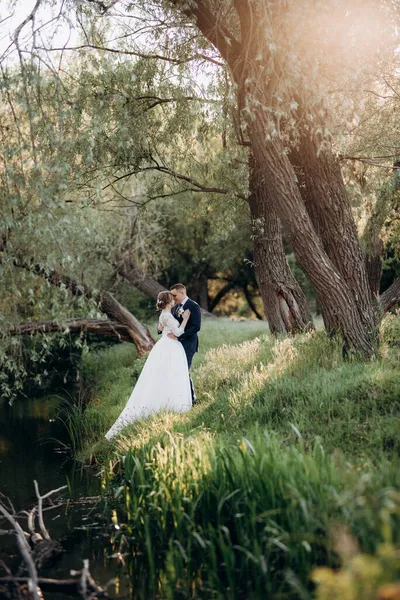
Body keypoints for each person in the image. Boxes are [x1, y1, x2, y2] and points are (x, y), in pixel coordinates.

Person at [105, 290, 192, 440]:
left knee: (164, 376)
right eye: (172, 299)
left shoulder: (163, 315)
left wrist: (166, 330)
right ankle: (172, 403)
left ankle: (167, 402)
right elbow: (178, 332)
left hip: (165, 345)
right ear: (169, 302)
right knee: (172, 374)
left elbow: (160, 328)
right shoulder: (167, 315)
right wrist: (185, 319)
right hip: (171, 347)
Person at [167, 283, 201, 404]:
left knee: (184, 371)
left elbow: (196, 327)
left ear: (182, 293)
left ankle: (192, 399)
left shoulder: (193, 306)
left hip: (188, 344)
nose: (173, 298)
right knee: (177, 371)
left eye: (174, 295)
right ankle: (180, 398)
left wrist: (179, 336)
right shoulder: (176, 307)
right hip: (177, 345)